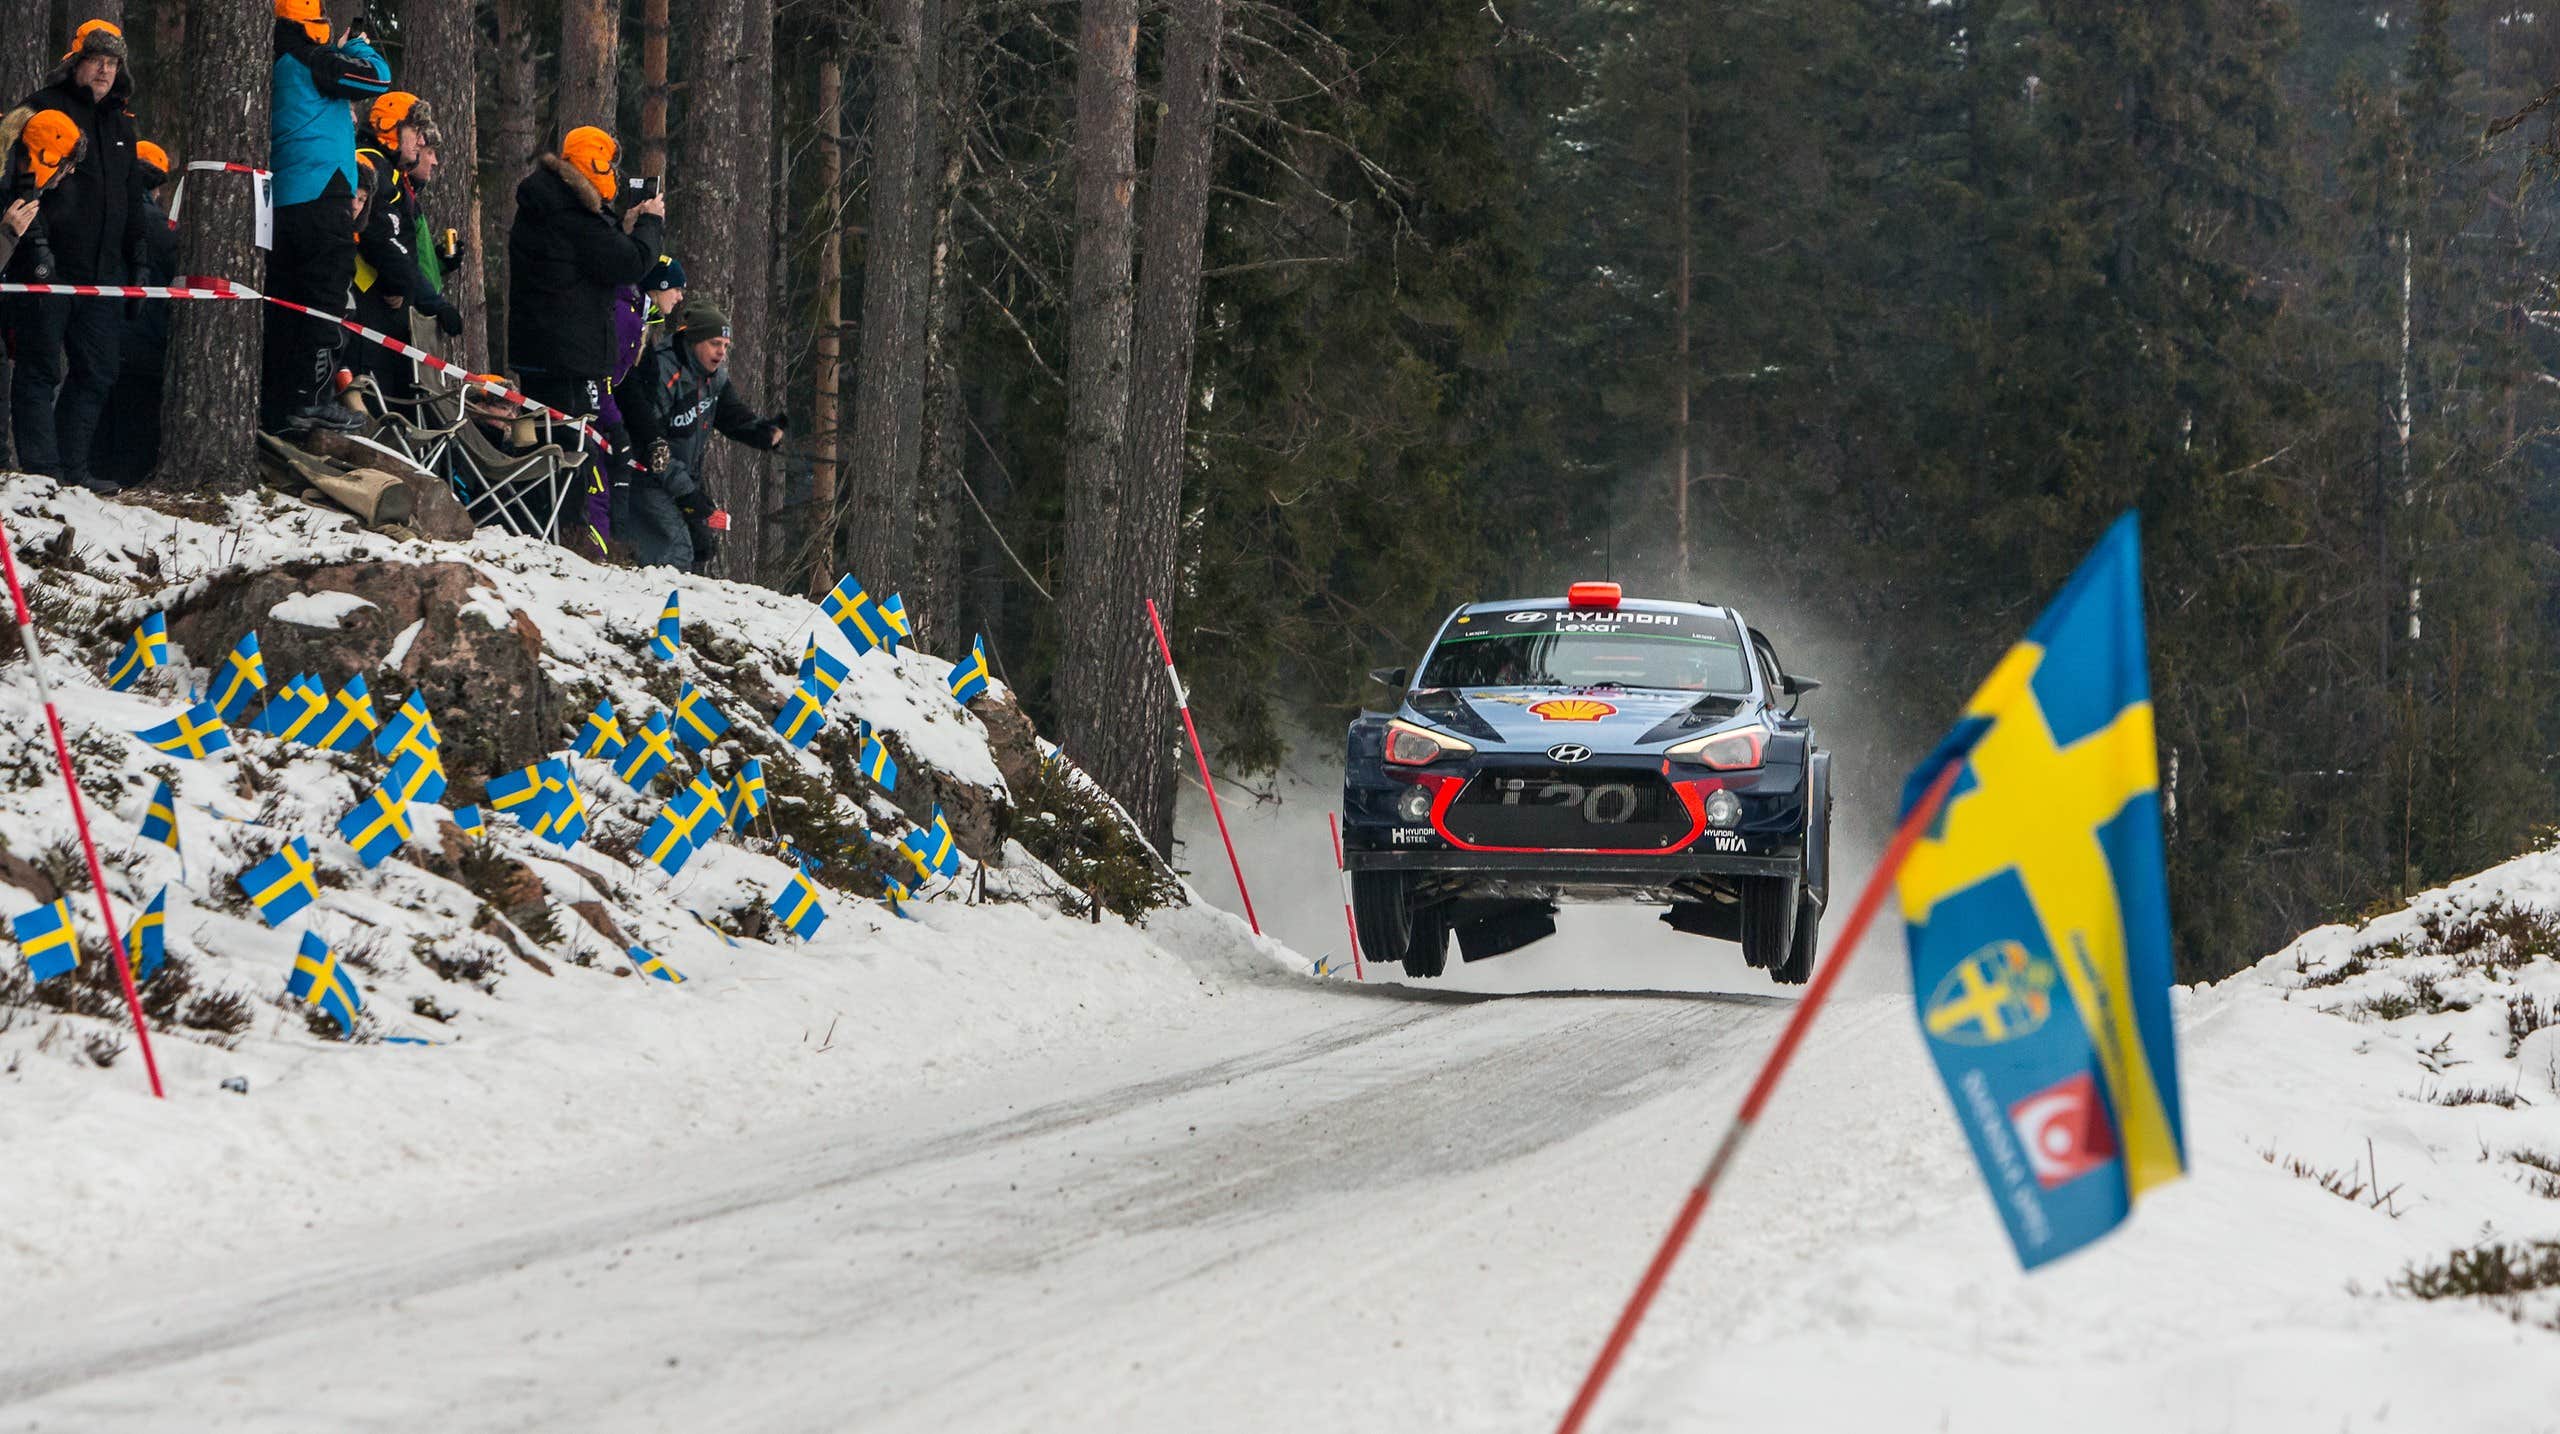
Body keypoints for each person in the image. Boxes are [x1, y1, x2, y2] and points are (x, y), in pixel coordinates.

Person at [2, 21, 147, 494]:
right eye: (96, 60)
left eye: (112, 62)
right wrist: (37, 249)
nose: (104, 70)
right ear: (76, 62)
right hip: (45, 268)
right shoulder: (42, 109)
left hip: (103, 274)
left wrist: (139, 260)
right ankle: (40, 473)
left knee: (98, 371)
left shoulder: (123, 123)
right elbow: (24, 186)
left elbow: (131, 199)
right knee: (40, 368)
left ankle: (72, 471)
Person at [506, 125, 664, 540]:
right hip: (568, 355)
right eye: (610, 165)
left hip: (546, 349)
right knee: (574, 447)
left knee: (555, 441)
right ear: (594, 163)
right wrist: (650, 224)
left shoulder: (551, 204)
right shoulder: (569, 213)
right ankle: (569, 533)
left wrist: (623, 226)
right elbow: (628, 262)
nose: (615, 174)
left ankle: (549, 526)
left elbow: (602, 252)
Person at [263, 0, 391, 436]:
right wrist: (360, 46)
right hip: (321, 190)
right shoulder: (311, 59)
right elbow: (378, 79)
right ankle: (312, 399)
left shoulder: (277, 61)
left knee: (288, 301)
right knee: (326, 298)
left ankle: (282, 402)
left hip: (285, 198)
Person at [620, 297, 783, 573]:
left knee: (700, 548)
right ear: (695, 340)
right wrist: (687, 493)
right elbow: (650, 441)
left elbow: (732, 415)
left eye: (725, 346)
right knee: (675, 550)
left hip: (680, 477)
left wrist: (762, 433)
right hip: (647, 476)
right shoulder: (662, 371)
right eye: (715, 344)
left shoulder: (713, 376)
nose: (721, 353)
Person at [351, 92, 461, 410]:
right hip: (366, 305)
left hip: (385, 308)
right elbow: (380, 239)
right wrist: (417, 292)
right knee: (377, 405)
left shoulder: (390, 174)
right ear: (391, 128)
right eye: (416, 132)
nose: (420, 142)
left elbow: (403, 251)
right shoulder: (370, 165)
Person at [96, 139, 178, 487]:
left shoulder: (102, 211)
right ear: (157, 185)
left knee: (100, 412)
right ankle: (126, 479)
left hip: (103, 334)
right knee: (137, 421)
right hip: (144, 340)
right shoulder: (159, 227)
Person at [0, 111, 81, 286]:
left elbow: (35, 243)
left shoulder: (22, 183)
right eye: (66, 165)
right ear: (45, 160)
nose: (70, 172)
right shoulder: (7, 183)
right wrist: (7, 234)